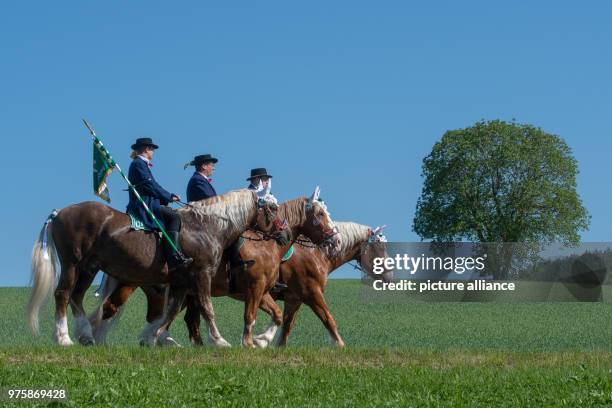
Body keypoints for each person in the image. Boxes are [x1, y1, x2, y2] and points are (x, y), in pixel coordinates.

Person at [126, 138, 193, 273]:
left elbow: (153, 185)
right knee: (174, 217)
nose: (153, 152)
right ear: (146, 149)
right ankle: (174, 257)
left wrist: (169, 195)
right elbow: (150, 186)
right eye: (152, 149)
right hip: (144, 203)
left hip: (149, 200)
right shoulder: (138, 163)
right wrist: (168, 196)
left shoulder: (140, 164)